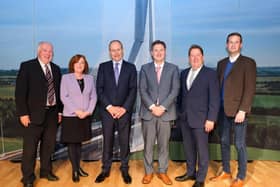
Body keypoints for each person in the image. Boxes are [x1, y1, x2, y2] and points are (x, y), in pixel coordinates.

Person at [210, 32, 256, 187]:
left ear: (241, 45)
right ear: (226, 45)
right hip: (223, 110)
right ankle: (226, 171)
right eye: (230, 42)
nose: (233, 45)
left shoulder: (248, 63)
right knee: (224, 141)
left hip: (238, 112)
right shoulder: (221, 63)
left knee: (239, 144)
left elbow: (249, 89)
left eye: (236, 42)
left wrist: (243, 110)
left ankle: (241, 176)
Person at [15, 41, 62, 187]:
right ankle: (28, 177)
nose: (48, 54)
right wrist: (23, 114)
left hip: (52, 114)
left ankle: (46, 171)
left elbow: (59, 92)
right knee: (30, 148)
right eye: (45, 50)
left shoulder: (56, 69)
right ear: (38, 51)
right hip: (32, 115)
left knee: (48, 146)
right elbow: (20, 93)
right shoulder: (27, 66)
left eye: (50, 51)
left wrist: (60, 111)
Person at [175, 45, 220, 187]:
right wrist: (179, 113)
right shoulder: (183, 74)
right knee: (188, 149)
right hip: (185, 119)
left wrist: (211, 119)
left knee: (202, 150)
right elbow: (181, 96)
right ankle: (190, 173)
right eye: (192, 55)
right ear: (189, 58)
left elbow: (215, 99)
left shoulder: (210, 74)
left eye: (198, 55)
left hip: (202, 120)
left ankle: (200, 179)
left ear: (203, 57)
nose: (195, 58)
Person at [95, 40, 137, 184]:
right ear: (109, 52)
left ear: (122, 50)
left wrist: (123, 108)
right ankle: (105, 169)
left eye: (118, 49)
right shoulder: (103, 67)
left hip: (124, 112)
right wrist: (110, 107)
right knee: (108, 141)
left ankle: (124, 168)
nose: (116, 52)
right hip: (108, 112)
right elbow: (99, 90)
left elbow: (133, 90)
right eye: (113, 50)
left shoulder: (131, 68)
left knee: (124, 141)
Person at [139, 40, 180, 185]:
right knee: (148, 146)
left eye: (161, 50)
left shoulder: (173, 69)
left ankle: (163, 172)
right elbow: (142, 90)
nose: (158, 52)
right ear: (151, 53)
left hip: (166, 113)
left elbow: (175, 90)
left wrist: (162, 107)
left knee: (164, 146)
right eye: (155, 50)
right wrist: (152, 107)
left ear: (165, 51)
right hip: (148, 113)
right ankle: (148, 172)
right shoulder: (144, 68)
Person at [60, 54, 97, 182]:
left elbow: (94, 97)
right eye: (77, 63)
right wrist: (77, 111)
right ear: (72, 65)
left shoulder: (90, 79)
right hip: (71, 116)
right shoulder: (66, 78)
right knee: (72, 143)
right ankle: (75, 170)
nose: (79, 65)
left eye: (82, 62)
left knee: (79, 143)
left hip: (85, 115)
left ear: (85, 65)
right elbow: (64, 97)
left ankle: (78, 167)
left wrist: (88, 111)